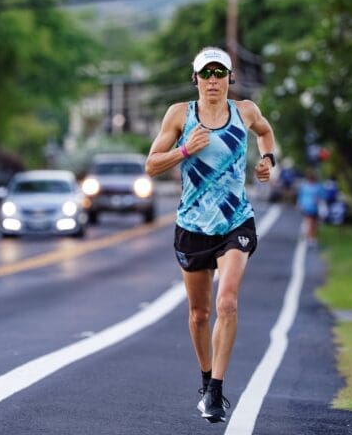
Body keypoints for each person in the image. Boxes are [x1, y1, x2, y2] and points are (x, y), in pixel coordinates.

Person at [145, 46, 276, 423]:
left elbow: (266, 133)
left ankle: (216, 391)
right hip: (192, 227)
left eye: (220, 73)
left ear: (229, 78)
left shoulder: (245, 111)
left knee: (227, 303)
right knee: (200, 313)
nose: (214, 80)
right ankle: (206, 378)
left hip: (235, 221)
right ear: (196, 78)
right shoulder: (179, 115)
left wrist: (268, 161)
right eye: (207, 73)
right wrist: (186, 148)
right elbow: (151, 164)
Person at [296, 169, 325, 245]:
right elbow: (322, 197)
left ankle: (308, 234)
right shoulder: (317, 187)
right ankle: (310, 237)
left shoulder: (305, 186)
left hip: (308, 206)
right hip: (311, 207)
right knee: (311, 221)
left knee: (312, 221)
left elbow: (300, 196)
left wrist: (299, 204)